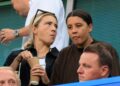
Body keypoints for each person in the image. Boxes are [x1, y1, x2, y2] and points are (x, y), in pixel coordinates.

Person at [50, 9, 120, 85]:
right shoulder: (64, 54)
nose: (74, 31)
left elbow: (114, 81)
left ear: (90, 27)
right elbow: (55, 83)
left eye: (78, 26)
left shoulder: (107, 50)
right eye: (69, 27)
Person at [4, 11, 59, 86]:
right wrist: (17, 61)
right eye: (49, 24)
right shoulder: (16, 55)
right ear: (34, 29)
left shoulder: (60, 59)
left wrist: (46, 81)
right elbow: (2, 79)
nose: (54, 29)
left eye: (56, 26)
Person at [0, 0, 69, 51]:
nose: (14, 9)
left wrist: (15, 33)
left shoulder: (47, 1)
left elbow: (44, 23)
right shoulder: (36, 5)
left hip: (47, 63)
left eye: (12, 4)